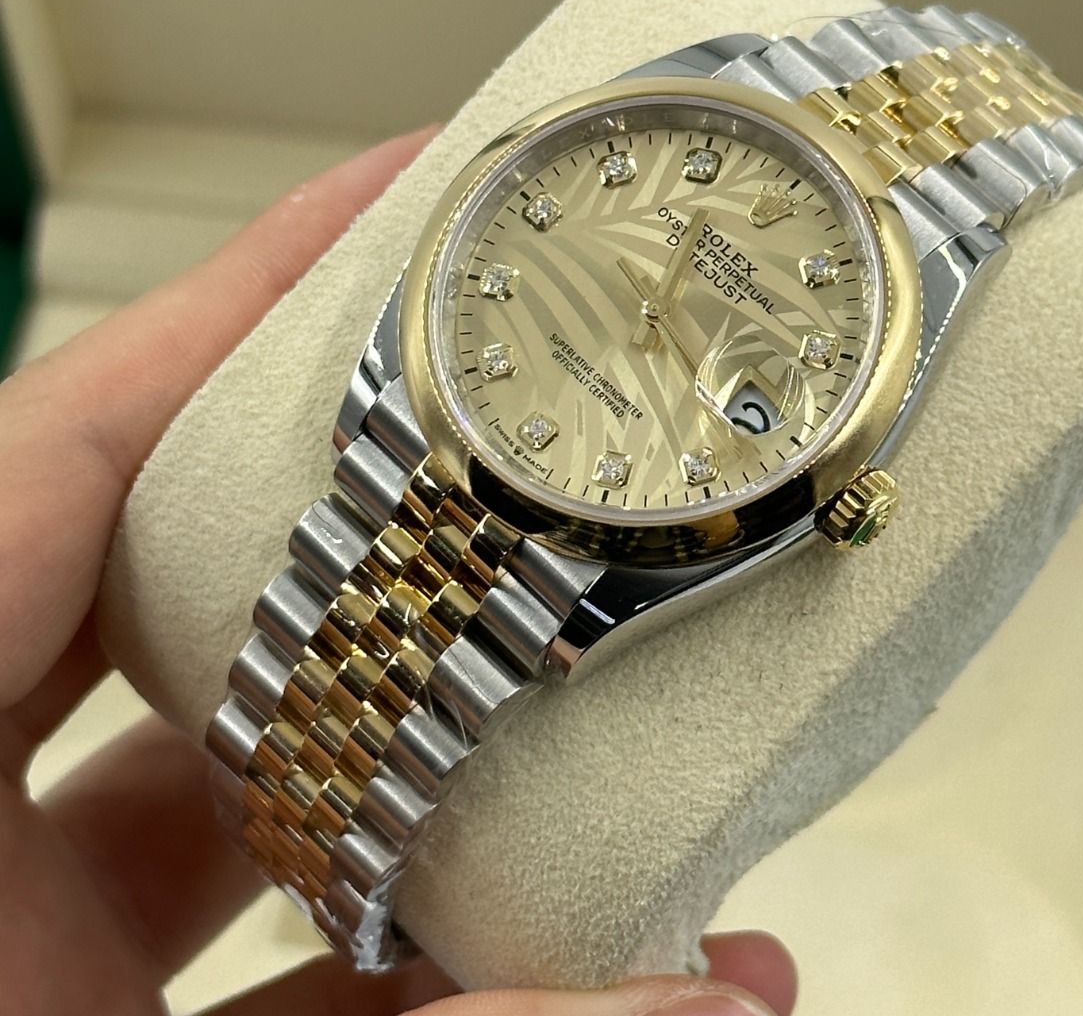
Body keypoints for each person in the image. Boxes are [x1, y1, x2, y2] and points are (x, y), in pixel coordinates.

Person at [0, 129, 798, 1016]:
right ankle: (302, 825)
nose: (653, 316)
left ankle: (313, 838)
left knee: (416, 670)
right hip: (424, 432)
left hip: (564, 541)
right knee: (343, 656)